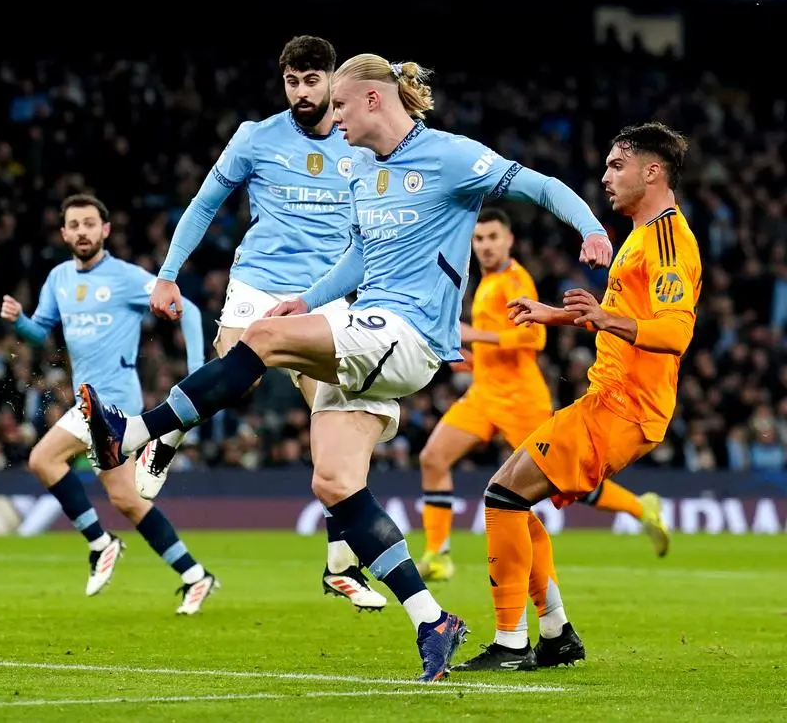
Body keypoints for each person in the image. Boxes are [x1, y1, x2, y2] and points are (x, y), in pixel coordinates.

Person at [82, 54, 613, 681]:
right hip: (369, 330)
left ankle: (137, 434)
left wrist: (591, 229)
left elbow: (540, 185)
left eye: (338, 105)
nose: (331, 119)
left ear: (369, 101)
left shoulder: (447, 156)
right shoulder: (362, 168)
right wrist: (307, 300)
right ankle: (430, 619)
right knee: (334, 483)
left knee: (261, 339)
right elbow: (361, 255)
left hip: (407, 332)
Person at [143, 34, 385, 612]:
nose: (301, 92)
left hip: (325, 295)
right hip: (257, 282)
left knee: (337, 416)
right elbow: (204, 204)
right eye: (291, 82)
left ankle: (339, 564)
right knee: (238, 373)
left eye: (311, 81)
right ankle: (165, 435)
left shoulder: (363, 143)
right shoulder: (256, 137)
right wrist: (168, 273)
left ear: (333, 81)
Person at [457, 123, 699, 672]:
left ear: (652, 171)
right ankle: (554, 634)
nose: (606, 176)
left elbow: (675, 333)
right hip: (607, 399)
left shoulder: (668, 241)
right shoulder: (640, 236)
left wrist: (603, 316)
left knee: (503, 496)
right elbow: (620, 319)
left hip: (625, 407)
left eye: (617, 165)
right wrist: (559, 314)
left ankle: (513, 640)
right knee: (511, 497)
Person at [417, 208, 669, 582]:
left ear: (509, 241)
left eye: (493, 238)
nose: (485, 246)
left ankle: (639, 506)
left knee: (562, 481)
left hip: (521, 400)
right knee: (433, 458)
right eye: (479, 239)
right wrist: (469, 358)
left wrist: (474, 336)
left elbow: (534, 337)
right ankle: (438, 556)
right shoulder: (485, 282)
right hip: (484, 395)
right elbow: (497, 345)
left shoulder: (515, 280)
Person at [1, 193, 218, 614]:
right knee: (127, 500)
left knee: (43, 460)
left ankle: (101, 544)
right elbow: (39, 333)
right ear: (64, 233)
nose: (82, 231)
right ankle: (195, 575)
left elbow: (186, 309)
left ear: (105, 230)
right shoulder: (59, 279)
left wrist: (196, 370)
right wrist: (19, 320)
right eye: (74, 225)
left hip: (111, 403)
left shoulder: (124, 277)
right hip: (88, 401)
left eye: (89, 224)